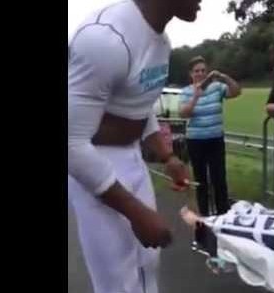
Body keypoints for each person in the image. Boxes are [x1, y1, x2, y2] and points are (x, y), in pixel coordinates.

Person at [68, 1, 200, 292]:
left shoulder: (161, 42)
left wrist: (167, 156)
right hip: (91, 163)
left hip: (132, 157)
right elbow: (71, 143)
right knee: (117, 280)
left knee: (149, 263)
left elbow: (139, 103)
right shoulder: (104, 38)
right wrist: (136, 212)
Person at [179, 56, 241, 216]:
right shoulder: (186, 91)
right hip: (195, 141)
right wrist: (196, 96)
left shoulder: (216, 87)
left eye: (203, 70)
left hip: (215, 140)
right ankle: (205, 218)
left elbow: (236, 92)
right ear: (191, 74)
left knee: (219, 179)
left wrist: (224, 77)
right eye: (196, 71)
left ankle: (223, 216)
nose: (200, 73)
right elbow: (183, 114)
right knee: (201, 182)